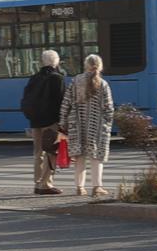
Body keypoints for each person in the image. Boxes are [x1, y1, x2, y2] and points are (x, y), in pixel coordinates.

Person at [59, 54, 113, 197]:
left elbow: (66, 104)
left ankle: (79, 187)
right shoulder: (103, 84)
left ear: (85, 65)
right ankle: (97, 187)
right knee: (96, 157)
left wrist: (62, 124)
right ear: (100, 66)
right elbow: (109, 108)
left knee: (79, 157)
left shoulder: (75, 81)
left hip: (77, 125)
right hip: (97, 126)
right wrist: (107, 124)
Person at [21, 50, 65, 195]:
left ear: (42, 61)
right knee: (51, 152)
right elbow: (61, 102)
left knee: (38, 152)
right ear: (56, 61)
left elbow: (26, 98)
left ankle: (37, 183)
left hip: (35, 121)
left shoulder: (34, 78)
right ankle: (45, 184)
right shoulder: (57, 78)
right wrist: (62, 122)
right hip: (50, 121)